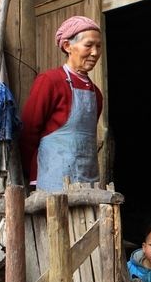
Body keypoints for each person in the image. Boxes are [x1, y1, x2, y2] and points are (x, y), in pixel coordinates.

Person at [20, 16, 103, 192]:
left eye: (98, 46)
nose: (95, 52)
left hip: (88, 180)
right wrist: (29, 170)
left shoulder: (96, 94)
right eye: (88, 45)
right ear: (67, 46)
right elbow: (28, 131)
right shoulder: (50, 81)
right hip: (52, 180)